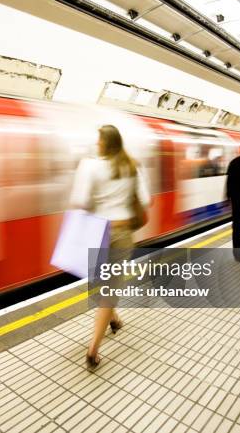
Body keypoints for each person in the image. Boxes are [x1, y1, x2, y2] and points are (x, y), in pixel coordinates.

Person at [70, 124, 150, 369]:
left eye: (99, 141)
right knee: (110, 289)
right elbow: (147, 200)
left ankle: (93, 347)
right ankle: (110, 321)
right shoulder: (132, 166)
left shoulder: (90, 166)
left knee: (99, 286)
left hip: (97, 232)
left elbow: (80, 201)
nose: (97, 144)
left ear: (104, 143)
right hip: (122, 232)